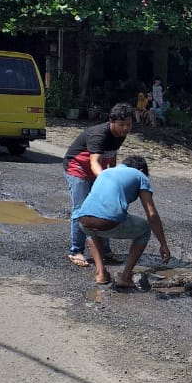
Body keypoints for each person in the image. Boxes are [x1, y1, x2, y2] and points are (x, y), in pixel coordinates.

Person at [74, 156, 171, 287]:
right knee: (144, 230)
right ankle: (125, 277)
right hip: (108, 221)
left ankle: (101, 273)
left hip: (83, 220)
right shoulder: (140, 176)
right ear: (141, 169)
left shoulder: (106, 172)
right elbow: (152, 214)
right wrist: (163, 244)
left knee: (92, 228)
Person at [63, 103, 133, 268]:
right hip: (77, 169)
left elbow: (111, 156)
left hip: (97, 171)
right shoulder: (98, 135)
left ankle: (105, 250)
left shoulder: (121, 134)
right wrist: (107, 184)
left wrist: (114, 175)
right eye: (122, 124)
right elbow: (95, 163)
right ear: (112, 121)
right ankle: (76, 251)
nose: (125, 128)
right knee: (81, 210)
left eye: (128, 125)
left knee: (103, 209)